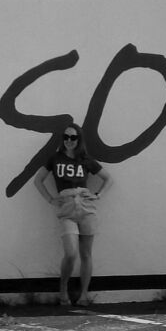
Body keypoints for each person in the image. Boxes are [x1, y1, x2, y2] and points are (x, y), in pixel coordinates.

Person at [32, 122, 113, 306]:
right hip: (67, 208)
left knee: (86, 254)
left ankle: (84, 295)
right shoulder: (55, 158)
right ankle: (63, 291)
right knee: (71, 253)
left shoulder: (85, 159)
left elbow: (108, 179)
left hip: (86, 207)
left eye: (73, 137)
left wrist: (97, 195)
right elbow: (38, 180)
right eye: (66, 137)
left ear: (79, 139)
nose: (69, 140)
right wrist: (51, 199)